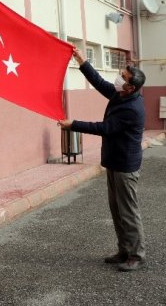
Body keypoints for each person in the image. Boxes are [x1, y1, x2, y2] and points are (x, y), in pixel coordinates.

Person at [57, 48, 147, 272]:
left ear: (131, 87)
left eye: (122, 78)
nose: (117, 78)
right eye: (120, 73)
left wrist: (73, 125)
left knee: (128, 211)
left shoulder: (132, 109)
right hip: (114, 160)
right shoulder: (121, 93)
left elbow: (105, 128)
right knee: (116, 209)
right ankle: (124, 250)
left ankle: (136, 254)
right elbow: (99, 83)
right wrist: (81, 60)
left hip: (125, 165)